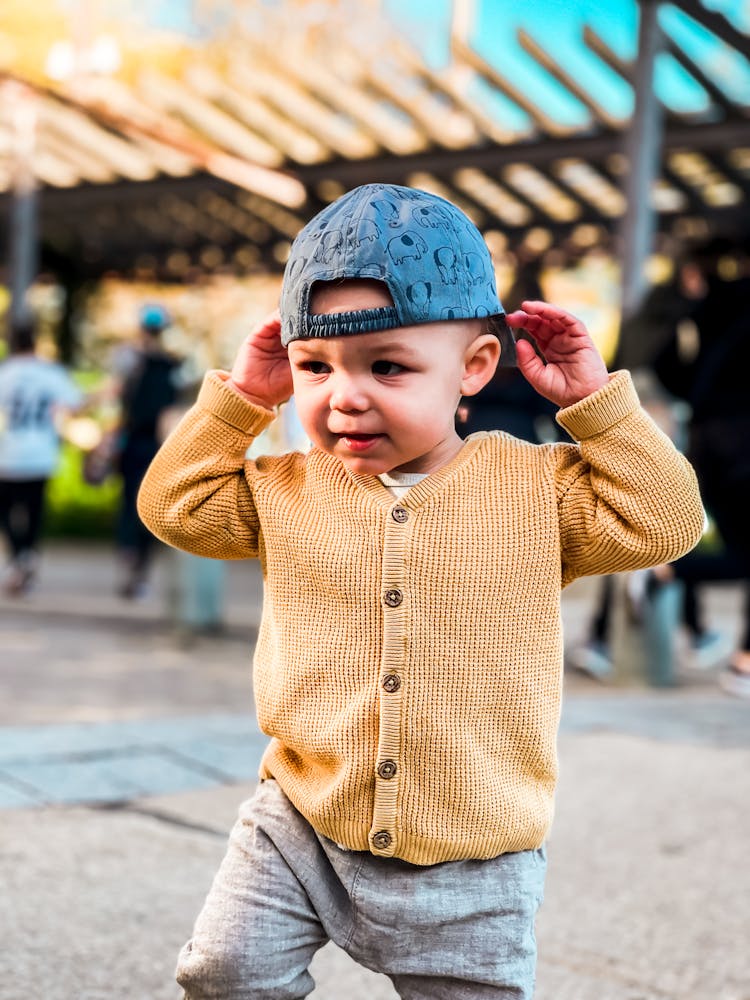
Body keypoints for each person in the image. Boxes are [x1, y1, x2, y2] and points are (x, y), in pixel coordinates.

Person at [138, 183, 704, 1000]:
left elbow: (667, 520)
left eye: (388, 366)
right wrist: (245, 401)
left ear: (475, 367)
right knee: (225, 972)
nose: (345, 395)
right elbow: (173, 507)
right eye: (314, 367)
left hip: (475, 855)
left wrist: (593, 403)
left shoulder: (534, 490)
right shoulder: (287, 488)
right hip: (301, 823)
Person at [650, 238, 750, 697]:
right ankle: (742, 662)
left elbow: (668, 363)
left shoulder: (705, 309)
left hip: (710, 438)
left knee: (715, 538)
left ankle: (668, 572)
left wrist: (696, 397)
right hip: (741, 440)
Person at [0, 316, 83, 596]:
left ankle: (18, 556)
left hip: (9, 454)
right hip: (40, 454)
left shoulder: (6, 372)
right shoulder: (51, 373)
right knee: (34, 511)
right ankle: (28, 555)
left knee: (7, 511)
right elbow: (74, 404)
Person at [112, 303, 179, 598]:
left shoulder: (129, 361)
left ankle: (129, 558)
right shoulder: (172, 367)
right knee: (149, 507)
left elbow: (119, 402)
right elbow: (170, 412)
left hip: (131, 443)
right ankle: (140, 570)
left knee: (128, 503)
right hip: (156, 446)